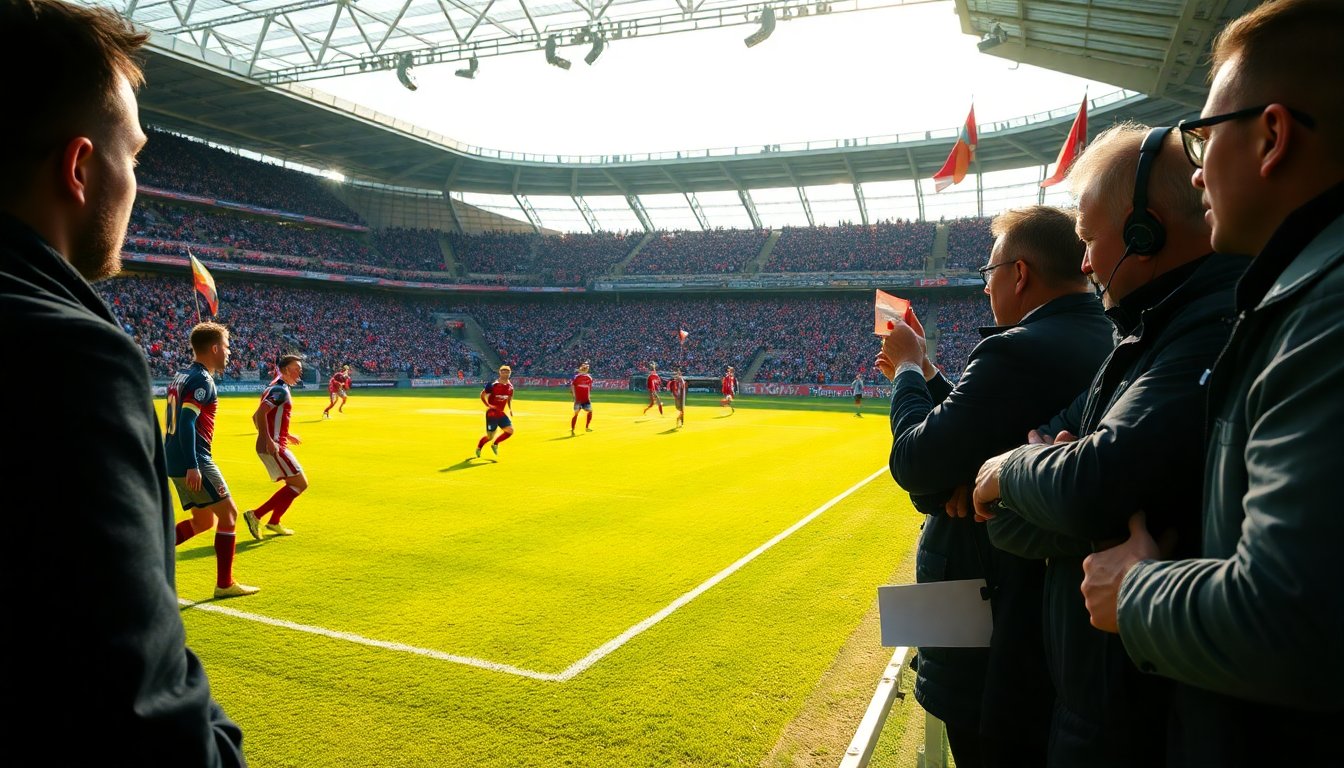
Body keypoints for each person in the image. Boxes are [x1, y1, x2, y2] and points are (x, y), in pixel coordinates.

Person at [1080, 2, 1344, 764]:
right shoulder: (1294, 296)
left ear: (1271, 136)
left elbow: (1291, 616)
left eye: (1204, 135)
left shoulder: (1325, 309)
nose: (1196, 169)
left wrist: (1134, 593)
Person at [0, 0, 245, 762]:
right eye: (133, 156)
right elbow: (142, 719)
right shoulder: (67, 359)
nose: (136, 181)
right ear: (79, 168)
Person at [970, 124, 1248, 767]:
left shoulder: (1205, 328)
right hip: (1097, 702)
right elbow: (1032, 517)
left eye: (1091, 240)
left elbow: (1094, 484)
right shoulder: (1139, 334)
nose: (1086, 262)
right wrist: (1055, 478)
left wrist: (1015, 468)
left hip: (1132, 722)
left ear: (1146, 232)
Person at [877, 206, 1112, 767]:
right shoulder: (1104, 335)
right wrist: (936, 380)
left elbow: (915, 463)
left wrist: (908, 370)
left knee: (984, 743)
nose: (987, 289)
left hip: (991, 612)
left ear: (1020, 273)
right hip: (1052, 619)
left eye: (988, 275)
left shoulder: (1015, 347)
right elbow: (980, 430)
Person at [167, 322, 259, 598]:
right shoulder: (202, 381)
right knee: (229, 515)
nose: (229, 353)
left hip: (174, 457)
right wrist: (193, 464)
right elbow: (186, 423)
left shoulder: (181, 375)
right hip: (194, 459)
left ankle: (144, 554)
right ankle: (225, 584)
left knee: (204, 521)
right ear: (216, 348)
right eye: (227, 347)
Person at [243, 355, 307, 539]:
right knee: (300, 483)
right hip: (275, 446)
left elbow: (255, 417)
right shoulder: (280, 390)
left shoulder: (277, 386)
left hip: (276, 442)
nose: (300, 372)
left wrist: (285, 435)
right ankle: (256, 515)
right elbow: (261, 413)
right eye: (296, 368)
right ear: (285, 369)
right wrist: (269, 440)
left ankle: (274, 522)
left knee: (294, 485)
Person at [476, 364, 515, 457]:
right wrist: (488, 405)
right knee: (490, 437)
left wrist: (510, 409)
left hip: (501, 414)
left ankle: (495, 444)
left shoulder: (510, 387)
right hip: (492, 414)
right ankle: (479, 447)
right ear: (500, 373)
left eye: (507, 372)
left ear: (510, 373)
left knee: (510, 431)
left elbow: (509, 399)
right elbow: (482, 395)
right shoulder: (493, 385)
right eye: (503, 371)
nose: (505, 373)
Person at [570, 361, 594, 436]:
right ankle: (573, 429)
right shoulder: (577, 377)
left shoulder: (589, 378)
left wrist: (589, 395)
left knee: (590, 411)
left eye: (586, 369)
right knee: (576, 414)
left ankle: (586, 427)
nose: (585, 370)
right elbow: (573, 386)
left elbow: (589, 387)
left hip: (586, 399)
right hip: (578, 399)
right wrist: (574, 395)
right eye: (584, 368)